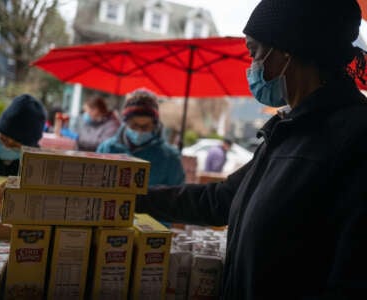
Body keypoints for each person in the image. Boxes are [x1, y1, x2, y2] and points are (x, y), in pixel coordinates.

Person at [135, 0, 367, 298]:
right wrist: (129, 197)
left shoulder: (354, 139)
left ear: (287, 49)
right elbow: (218, 201)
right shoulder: (287, 131)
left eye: (254, 52)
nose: (252, 66)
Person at [97, 88, 185, 186]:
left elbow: (177, 195)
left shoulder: (170, 158)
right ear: (125, 122)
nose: (139, 131)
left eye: (145, 127)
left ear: (155, 125)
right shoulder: (106, 149)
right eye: (134, 125)